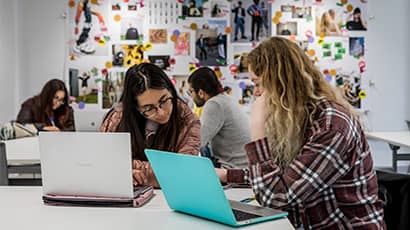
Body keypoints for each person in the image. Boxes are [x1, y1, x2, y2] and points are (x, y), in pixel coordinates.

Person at [216, 37, 386, 229]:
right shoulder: (294, 119)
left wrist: (257, 128)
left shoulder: (332, 125)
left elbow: (276, 197)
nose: (256, 92)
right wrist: (225, 175)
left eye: (258, 83)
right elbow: (283, 175)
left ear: (280, 82)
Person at [100, 63, 200, 188]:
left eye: (164, 101)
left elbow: (182, 172)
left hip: (170, 199)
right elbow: (103, 162)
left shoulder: (188, 120)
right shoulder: (117, 120)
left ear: (170, 90)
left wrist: (125, 171)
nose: (161, 112)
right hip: (126, 195)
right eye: (148, 108)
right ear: (135, 107)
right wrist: (120, 172)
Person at [188, 67, 250, 169]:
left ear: (201, 93)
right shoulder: (226, 98)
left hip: (233, 167)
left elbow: (197, 141)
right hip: (244, 164)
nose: (191, 96)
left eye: (191, 91)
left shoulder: (214, 104)